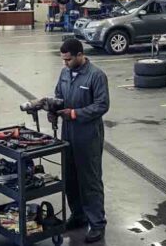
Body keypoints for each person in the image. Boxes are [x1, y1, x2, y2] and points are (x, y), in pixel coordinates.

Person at [52, 39, 109, 243]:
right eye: (63, 60)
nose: (65, 63)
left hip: (88, 136)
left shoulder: (96, 75)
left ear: (79, 55)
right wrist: (54, 109)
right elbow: (59, 95)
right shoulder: (65, 73)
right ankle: (78, 216)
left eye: (68, 60)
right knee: (70, 178)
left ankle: (97, 224)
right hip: (68, 133)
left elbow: (102, 105)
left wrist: (75, 113)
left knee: (90, 181)